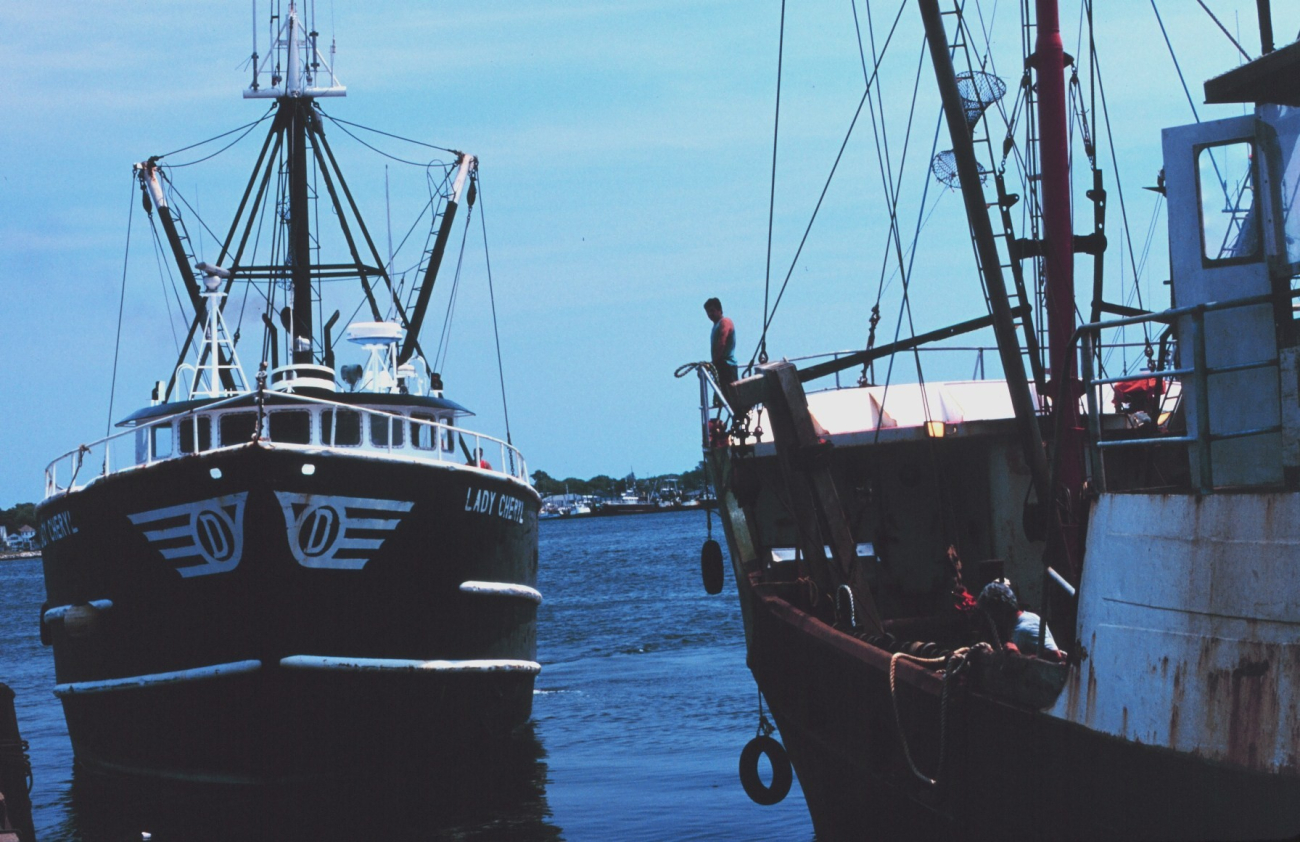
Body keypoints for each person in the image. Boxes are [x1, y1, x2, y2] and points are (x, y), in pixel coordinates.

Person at [976, 579, 1066, 661]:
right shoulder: (1024, 619)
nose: (991, 618)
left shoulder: (1026, 627)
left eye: (991, 613)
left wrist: (1019, 656)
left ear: (999, 609)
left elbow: (1055, 656)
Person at [704, 297, 737, 404]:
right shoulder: (715, 326)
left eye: (712, 311)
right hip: (720, 366)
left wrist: (712, 363)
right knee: (721, 399)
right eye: (708, 312)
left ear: (719, 310)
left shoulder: (725, 322)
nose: (710, 314)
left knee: (731, 399)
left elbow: (722, 342)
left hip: (727, 366)